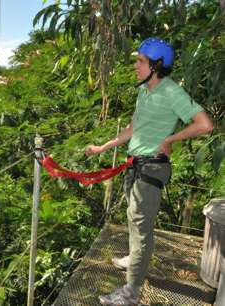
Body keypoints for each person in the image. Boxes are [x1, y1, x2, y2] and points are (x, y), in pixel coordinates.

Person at [85, 37, 214, 305]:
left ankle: (130, 292)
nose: (136, 65)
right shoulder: (145, 92)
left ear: (156, 65)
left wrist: (169, 140)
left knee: (141, 227)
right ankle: (135, 260)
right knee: (136, 221)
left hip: (151, 168)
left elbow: (204, 125)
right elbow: (133, 129)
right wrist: (103, 147)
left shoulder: (170, 91)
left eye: (140, 61)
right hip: (136, 165)